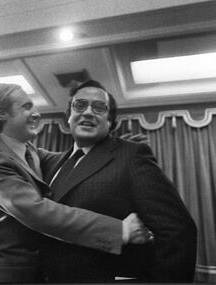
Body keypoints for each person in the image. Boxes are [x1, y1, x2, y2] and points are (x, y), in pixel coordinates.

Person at [0, 83, 153, 284]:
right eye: (27, 107)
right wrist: (120, 231)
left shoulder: (30, 152)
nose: (36, 114)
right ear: (1, 113)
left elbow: (76, 160)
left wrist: (113, 151)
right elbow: (39, 213)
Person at [39, 80, 197, 282]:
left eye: (99, 107)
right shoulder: (51, 163)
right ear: (68, 116)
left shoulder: (131, 156)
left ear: (111, 121)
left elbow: (178, 232)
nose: (88, 112)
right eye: (79, 105)